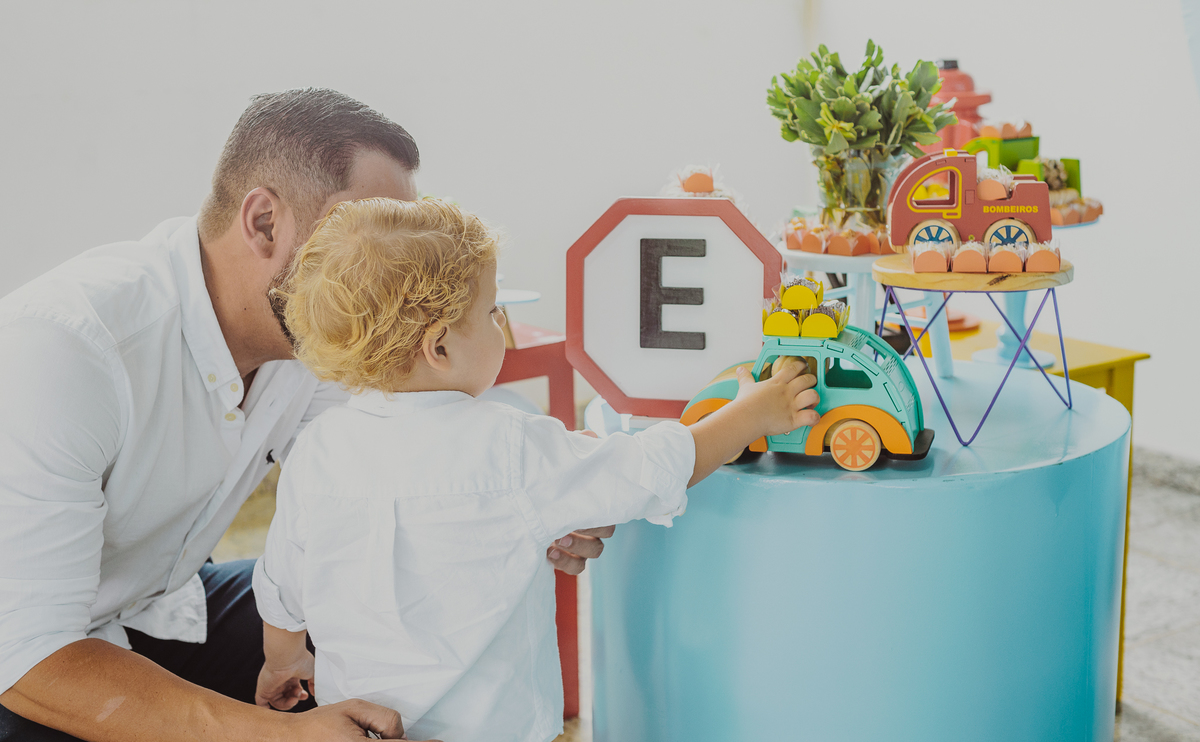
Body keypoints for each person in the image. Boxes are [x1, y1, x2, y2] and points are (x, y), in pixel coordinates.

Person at [0, 88, 610, 742]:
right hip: (36, 664)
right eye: (364, 234)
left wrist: (526, 501)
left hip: (157, 608)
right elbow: (26, 652)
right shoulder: (66, 348)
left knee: (393, 609)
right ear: (264, 222)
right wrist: (282, 737)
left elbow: (407, 474)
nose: (393, 271)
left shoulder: (320, 339)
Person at [251, 197, 821, 742]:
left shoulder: (315, 452)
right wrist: (753, 413)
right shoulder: (508, 444)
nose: (502, 322)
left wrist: (284, 663)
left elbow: (281, 590)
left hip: (359, 729)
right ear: (439, 347)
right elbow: (651, 468)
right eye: (491, 311)